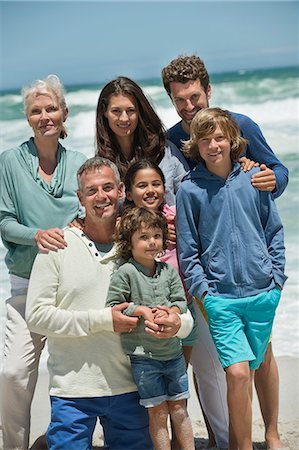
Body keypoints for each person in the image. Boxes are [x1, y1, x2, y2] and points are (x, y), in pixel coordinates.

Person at [161, 54, 289, 449]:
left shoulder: (240, 125)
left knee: (262, 353)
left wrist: (266, 179)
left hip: (256, 276)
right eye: (179, 100)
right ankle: (230, 438)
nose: (188, 106)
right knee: (218, 362)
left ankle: (269, 431)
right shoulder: (171, 141)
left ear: (208, 89)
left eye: (194, 96)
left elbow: (278, 173)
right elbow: (175, 193)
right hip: (212, 278)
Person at [25, 157, 194, 450]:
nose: (100, 196)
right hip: (73, 391)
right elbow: (37, 317)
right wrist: (104, 320)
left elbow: (180, 311)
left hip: (131, 389)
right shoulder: (57, 246)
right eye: (91, 191)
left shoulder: (136, 248)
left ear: (119, 191)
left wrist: (178, 325)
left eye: (107, 188)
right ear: (80, 198)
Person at [0, 74, 87, 450]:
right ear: (28, 118)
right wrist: (36, 234)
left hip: (71, 289)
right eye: (36, 111)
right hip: (25, 287)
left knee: (70, 377)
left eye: (51, 108)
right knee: (13, 372)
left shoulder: (81, 163)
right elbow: (4, 221)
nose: (45, 116)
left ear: (64, 113)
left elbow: (97, 214)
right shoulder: (9, 162)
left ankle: (55, 440)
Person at [105, 207, 194, 450]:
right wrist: (140, 310)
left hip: (173, 354)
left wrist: (172, 314)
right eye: (144, 237)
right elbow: (113, 307)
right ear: (129, 242)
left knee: (179, 409)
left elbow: (180, 302)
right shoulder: (126, 272)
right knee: (158, 413)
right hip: (143, 358)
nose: (152, 242)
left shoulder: (168, 271)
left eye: (156, 236)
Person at [123, 159, 200, 366]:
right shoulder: (123, 226)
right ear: (129, 194)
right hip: (144, 317)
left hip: (181, 308)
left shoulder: (176, 216)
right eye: (142, 186)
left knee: (179, 381)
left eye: (156, 184)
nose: (150, 190)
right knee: (151, 386)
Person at [95, 76, 189, 207]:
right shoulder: (102, 164)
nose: (124, 118)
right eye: (116, 111)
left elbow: (188, 198)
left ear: (140, 112)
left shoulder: (165, 151)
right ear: (105, 112)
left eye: (130, 110)